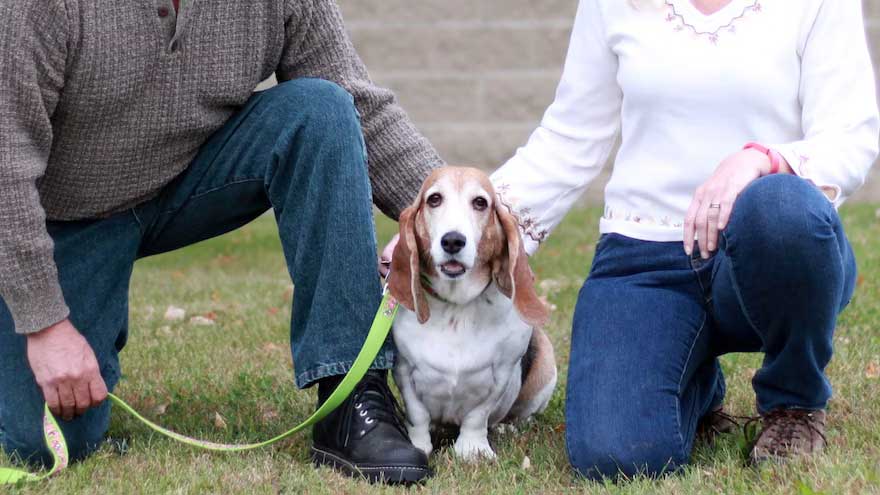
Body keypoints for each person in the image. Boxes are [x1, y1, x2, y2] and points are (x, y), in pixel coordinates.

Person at [0, 0, 440, 484]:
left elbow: (362, 105)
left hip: (190, 177)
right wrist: (45, 324)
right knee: (42, 442)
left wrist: (450, 220)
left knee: (322, 110)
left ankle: (352, 397)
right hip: (65, 216)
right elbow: (6, 165)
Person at [489, 0, 879, 481]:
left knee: (780, 205)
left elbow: (850, 135)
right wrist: (471, 222)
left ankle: (793, 403)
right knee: (614, 456)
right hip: (644, 256)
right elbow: (570, 136)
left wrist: (762, 159)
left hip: (766, 246)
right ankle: (695, 383)